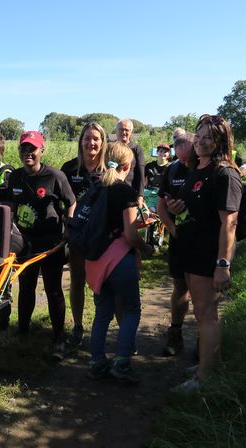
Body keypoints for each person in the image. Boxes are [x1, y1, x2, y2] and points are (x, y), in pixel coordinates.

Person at [168, 114, 242, 391]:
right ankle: (209, 364)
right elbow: (196, 207)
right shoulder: (198, 168)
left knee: (206, 314)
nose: (200, 141)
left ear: (221, 141)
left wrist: (223, 264)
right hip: (190, 250)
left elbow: (229, 222)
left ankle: (205, 378)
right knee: (203, 313)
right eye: (198, 135)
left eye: (208, 136)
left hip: (207, 255)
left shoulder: (224, 173)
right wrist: (177, 209)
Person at [2, 131, 76, 360]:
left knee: (54, 289)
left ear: (41, 150)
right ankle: (22, 331)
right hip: (24, 244)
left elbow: (71, 203)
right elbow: (8, 206)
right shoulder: (14, 177)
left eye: (32, 149)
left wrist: (69, 228)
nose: (28, 153)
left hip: (51, 243)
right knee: (26, 287)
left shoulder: (55, 176)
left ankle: (59, 338)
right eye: (24, 149)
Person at [85, 142, 155, 384]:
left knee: (102, 312)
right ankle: (122, 362)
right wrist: (146, 248)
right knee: (132, 310)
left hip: (95, 260)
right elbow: (130, 235)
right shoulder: (125, 192)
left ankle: (97, 361)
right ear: (128, 166)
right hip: (119, 261)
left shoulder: (95, 189)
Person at [60, 122, 107, 346]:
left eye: (96, 138)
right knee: (77, 281)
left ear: (103, 142)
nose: (91, 142)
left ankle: (101, 328)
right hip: (77, 236)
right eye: (87, 138)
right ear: (81, 141)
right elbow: (60, 200)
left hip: (102, 238)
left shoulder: (109, 170)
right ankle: (78, 327)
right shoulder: (69, 169)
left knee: (101, 284)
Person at [157, 133, 195, 356]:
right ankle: (176, 332)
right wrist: (172, 229)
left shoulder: (208, 168)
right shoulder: (171, 170)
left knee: (202, 292)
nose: (185, 164)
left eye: (189, 160)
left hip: (204, 240)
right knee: (180, 287)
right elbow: (161, 207)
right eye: (181, 160)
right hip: (179, 239)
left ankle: (204, 341)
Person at [115, 119, 146, 208]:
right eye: (121, 129)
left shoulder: (136, 149)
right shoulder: (111, 148)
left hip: (130, 193)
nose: (124, 132)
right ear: (116, 131)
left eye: (127, 130)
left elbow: (141, 173)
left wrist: (140, 196)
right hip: (112, 192)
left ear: (131, 132)